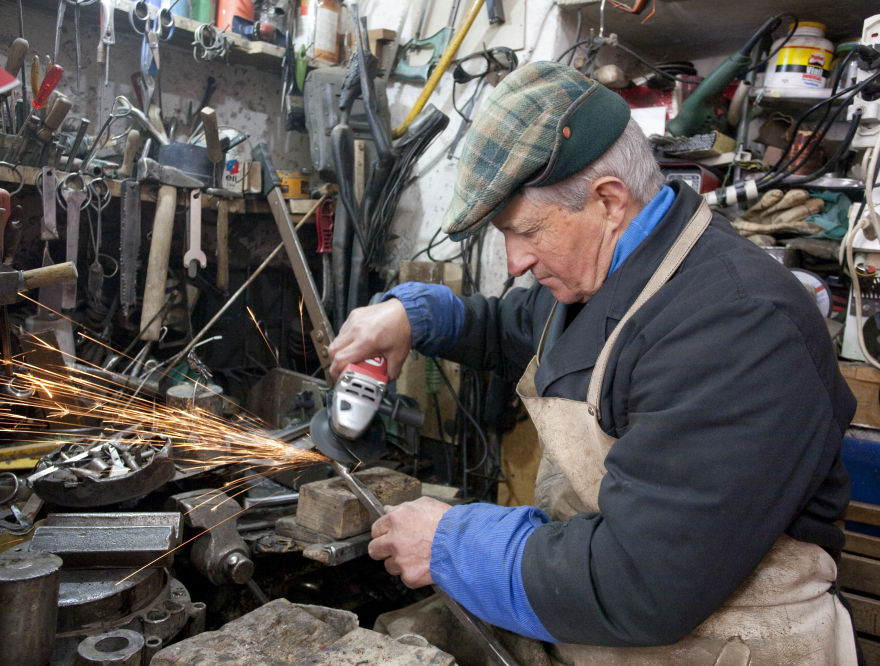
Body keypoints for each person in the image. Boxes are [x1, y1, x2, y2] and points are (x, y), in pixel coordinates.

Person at [327, 62, 861, 666]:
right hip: (606, 624)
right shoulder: (614, 274)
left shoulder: (737, 327)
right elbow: (514, 328)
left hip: (728, 645)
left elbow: (642, 581)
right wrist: (414, 315)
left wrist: (451, 542)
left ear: (608, 201)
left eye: (526, 231)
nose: (517, 262)